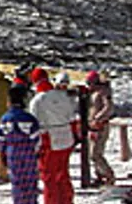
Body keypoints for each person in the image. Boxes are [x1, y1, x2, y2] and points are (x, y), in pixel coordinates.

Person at [29, 68, 76, 204]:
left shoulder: (38, 100)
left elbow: (35, 124)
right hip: (66, 138)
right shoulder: (64, 96)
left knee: (49, 177)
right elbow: (72, 117)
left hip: (50, 139)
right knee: (63, 173)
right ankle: (67, 200)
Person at [0, 85, 42, 204]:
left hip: (12, 151)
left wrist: (2, 153)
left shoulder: (5, 118)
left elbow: (1, 138)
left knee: (16, 181)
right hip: (28, 151)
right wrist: (37, 152)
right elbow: (36, 138)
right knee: (30, 179)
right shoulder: (29, 118)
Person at [87, 70, 115, 186]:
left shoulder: (103, 92)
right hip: (93, 126)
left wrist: (98, 118)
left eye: (90, 82)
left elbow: (109, 107)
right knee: (91, 153)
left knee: (96, 154)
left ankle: (109, 175)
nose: (89, 85)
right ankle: (99, 175)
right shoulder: (93, 92)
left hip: (101, 126)